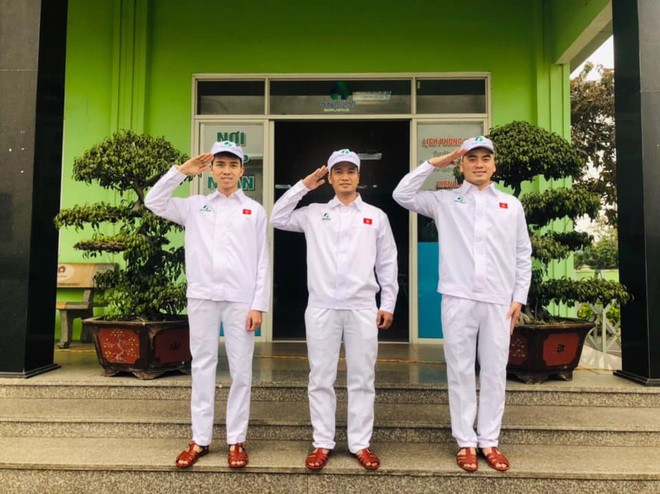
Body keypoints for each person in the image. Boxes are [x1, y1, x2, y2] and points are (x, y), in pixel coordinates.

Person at [392, 136, 532, 472]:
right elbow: (402, 194)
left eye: (485, 158)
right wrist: (433, 164)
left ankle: (489, 440)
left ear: (494, 165)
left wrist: (519, 297)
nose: (479, 164)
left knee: (495, 372)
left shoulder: (510, 205)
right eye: (472, 158)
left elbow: (522, 253)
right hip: (458, 298)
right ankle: (466, 441)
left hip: (499, 302)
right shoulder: (445, 200)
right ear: (462, 165)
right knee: (460, 371)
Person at [271, 149, 398, 471]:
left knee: (362, 378)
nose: (344, 176)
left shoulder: (375, 216)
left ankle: (360, 444)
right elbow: (277, 217)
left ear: (358, 176)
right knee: (320, 378)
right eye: (338, 171)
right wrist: (304, 185)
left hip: (362, 307)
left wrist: (388, 303)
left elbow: (387, 263)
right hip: (322, 306)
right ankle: (322, 442)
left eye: (350, 171)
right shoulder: (314, 213)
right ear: (329, 178)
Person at [145, 141, 269, 469]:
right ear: (211, 170)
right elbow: (153, 201)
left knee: (241, 370)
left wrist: (258, 304)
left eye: (233, 165)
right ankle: (200, 439)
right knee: (202, 366)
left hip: (240, 299)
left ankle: (236, 440)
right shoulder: (195, 206)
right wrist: (180, 172)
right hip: (202, 296)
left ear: (242, 171)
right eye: (221, 165)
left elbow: (262, 260)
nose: (227, 171)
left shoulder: (254, 210)